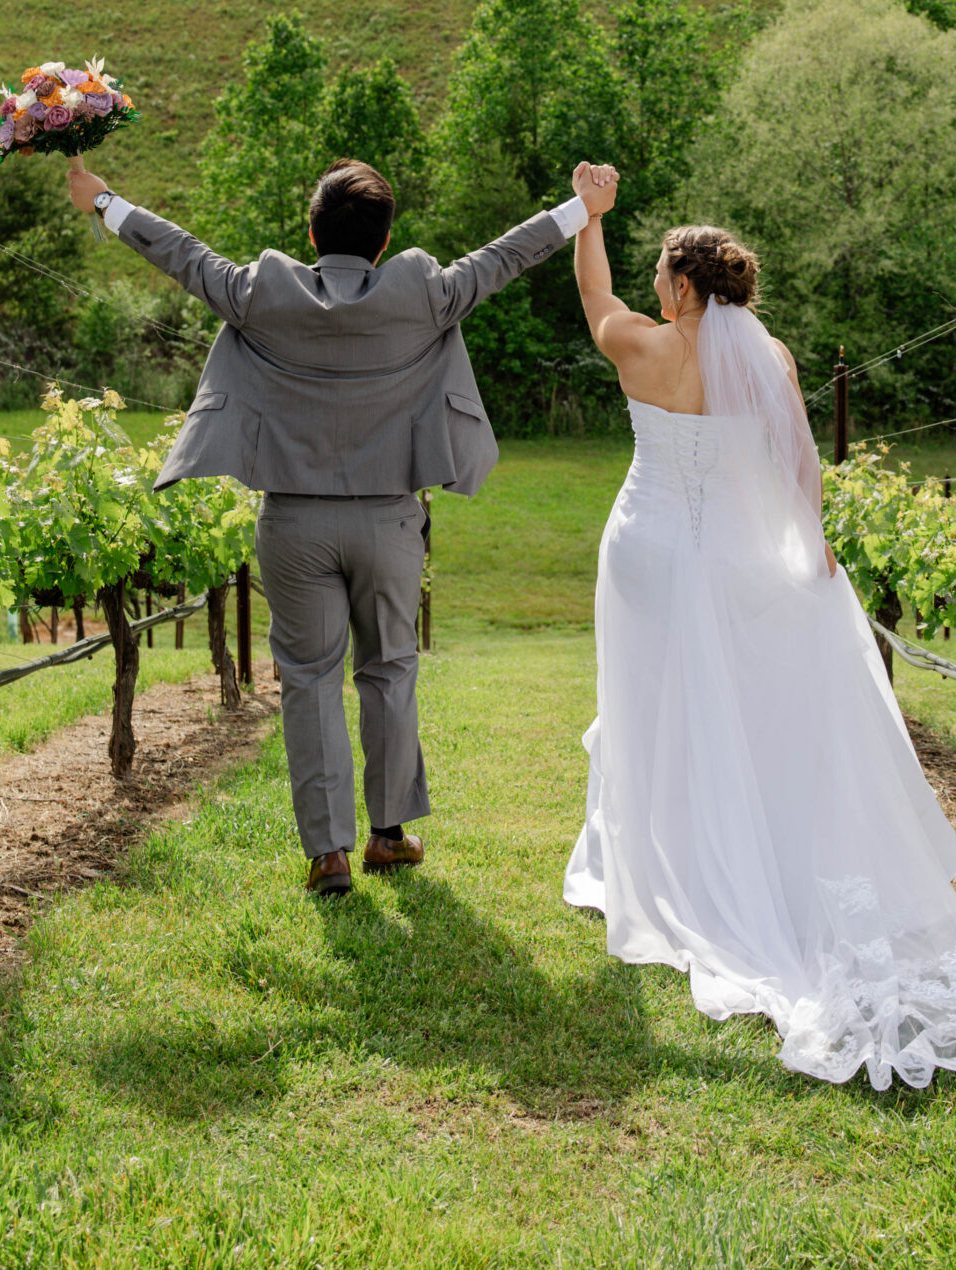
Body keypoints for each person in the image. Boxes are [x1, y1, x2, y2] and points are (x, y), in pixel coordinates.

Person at [563, 175, 956, 1092]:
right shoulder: (770, 359)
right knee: (740, 709)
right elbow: (797, 464)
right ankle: (734, 839)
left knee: (649, 702)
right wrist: (808, 545)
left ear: (680, 289)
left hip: (647, 553)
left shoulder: (638, 346)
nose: (652, 287)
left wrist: (589, 216)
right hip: (739, 561)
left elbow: (593, 297)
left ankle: (662, 851)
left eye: (661, 275)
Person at [68, 150, 600, 898]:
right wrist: (581, 207)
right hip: (389, 523)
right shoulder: (425, 292)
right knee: (389, 669)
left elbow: (183, 256)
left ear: (311, 236)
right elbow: (505, 257)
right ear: (384, 241)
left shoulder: (263, 292)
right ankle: (388, 838)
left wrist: (103, 202)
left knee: (309, 681)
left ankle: (329, 854)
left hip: (293, 524)